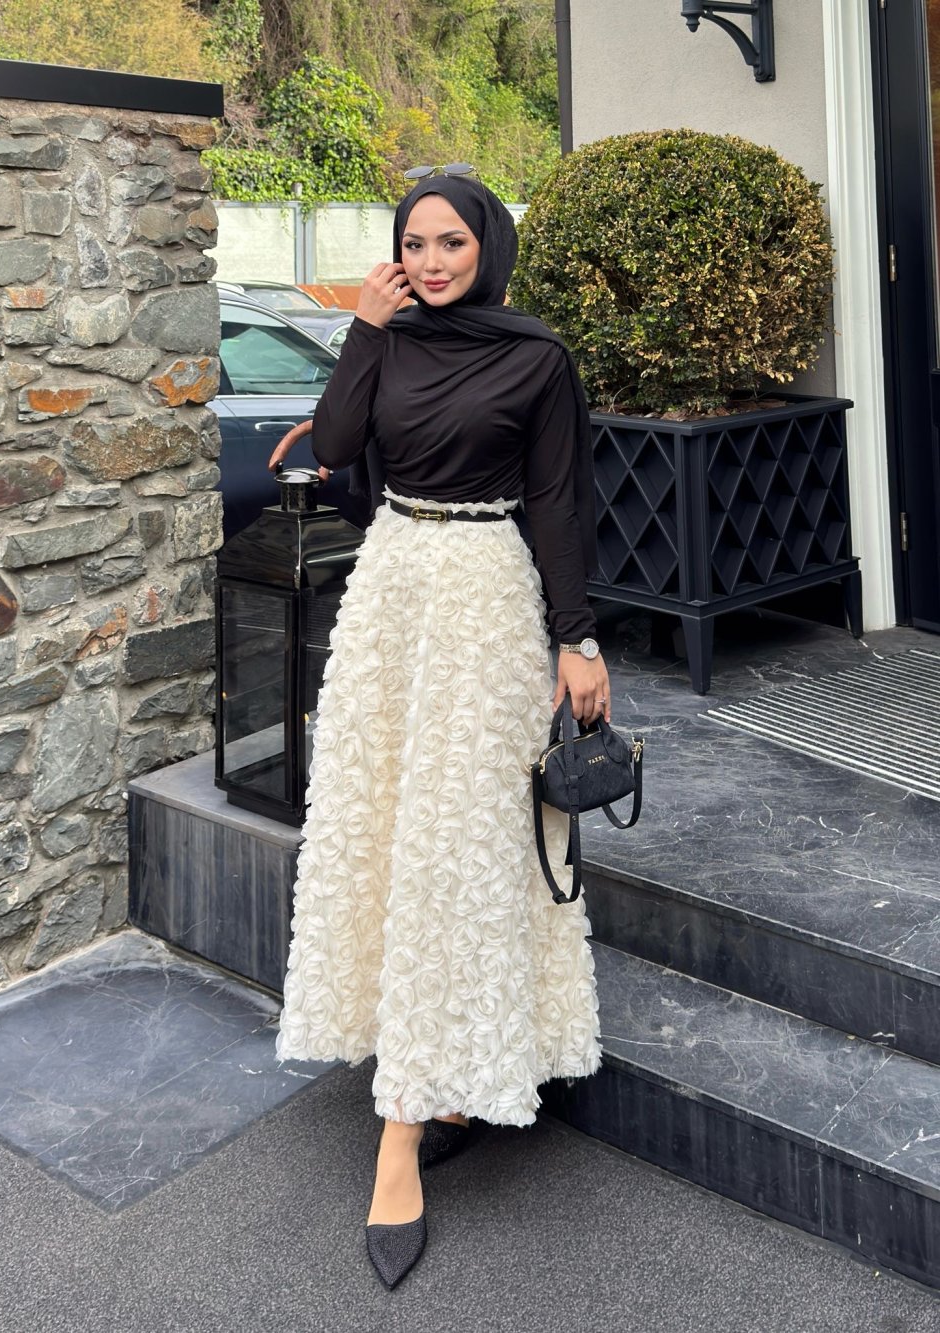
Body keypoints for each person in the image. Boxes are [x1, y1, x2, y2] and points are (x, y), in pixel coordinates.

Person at [270, 168, 610, 1291]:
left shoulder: (536, 356)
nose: (428, 261)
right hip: (391, 592)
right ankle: (420, 1081)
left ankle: (413, 1116)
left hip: (483, 598)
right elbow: (336, 440)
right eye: (413, 242)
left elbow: (556, 500)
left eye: (450, 242)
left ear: (488, 246)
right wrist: (363, 332)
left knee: (462, 840)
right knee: (384, 826)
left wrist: (578, 638)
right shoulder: (390, 334)